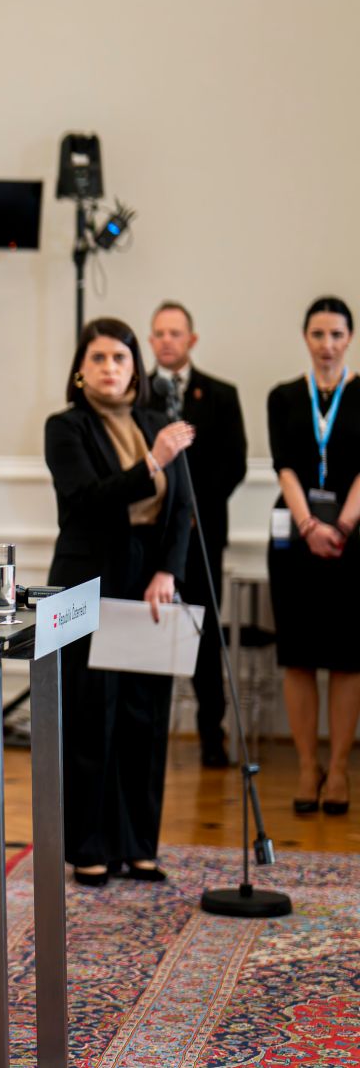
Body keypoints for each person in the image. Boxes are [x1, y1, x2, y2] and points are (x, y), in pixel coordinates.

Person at [45, 317, 194, 886]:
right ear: (81, 370)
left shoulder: (158, 423)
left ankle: (139, 845)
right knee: (90, 716)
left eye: (121, 358)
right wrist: (152, 462)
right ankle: (88, 845)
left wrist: (168, 571)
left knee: (144, 715)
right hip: (89, 585)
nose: (111, 367)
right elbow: (88, 501)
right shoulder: (65, 427)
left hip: (150, 584)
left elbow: (180, 510)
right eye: (100, 358)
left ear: (136, 370)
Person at [266, 296, 360, 816]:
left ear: (349, 339)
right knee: (298, 654)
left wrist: (342, 525)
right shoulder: (283, 396)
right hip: (296, 535)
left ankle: (340, 767)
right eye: (318, 334)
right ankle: (307, 765)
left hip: (353, 536)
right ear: (305, 337)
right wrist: (309, 526)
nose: (327, 345)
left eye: (337, 335)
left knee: (348, 658)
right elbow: (286, 467)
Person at [144, 301, 247, 768]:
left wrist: (190, 511)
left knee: (204, 635)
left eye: (175, 333)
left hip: (203, 535)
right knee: (149, 631)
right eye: (159, 333)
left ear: (192, 340)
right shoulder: (135, 394)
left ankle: (212, 733)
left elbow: (234, 463)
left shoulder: (220, 395)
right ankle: (147, 731)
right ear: (150, 341)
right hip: (151, 536)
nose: (166, 340)